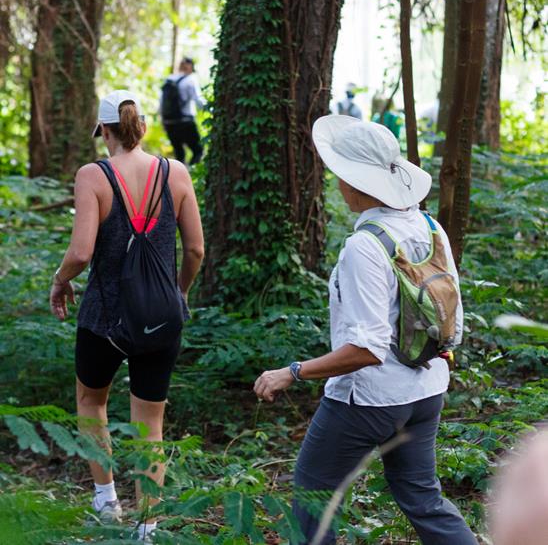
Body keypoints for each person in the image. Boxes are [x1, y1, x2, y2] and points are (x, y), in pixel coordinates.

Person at [254, 116, 477, 545]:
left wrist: (292, 372)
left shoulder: (364, 247)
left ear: (357, 184)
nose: (338, 183)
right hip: (426, 390)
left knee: (314, 492)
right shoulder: (430, 228)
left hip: (368, 399)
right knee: (423, 499)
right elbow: (452, 313)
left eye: (341, 175)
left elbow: (367, 350)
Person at [49, 89, 204, 542]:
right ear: (139, 126)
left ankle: (106, 501)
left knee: (91, 402)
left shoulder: (92, 176)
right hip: (161, 319)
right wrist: (177, 294)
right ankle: (149, 528)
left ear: (105, 132)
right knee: (149, 425)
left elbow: (80, 252)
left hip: (104, 320)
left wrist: (60, 281)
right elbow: (195, 249)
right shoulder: (175, 172)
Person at [160, 57, 204, 166]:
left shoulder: (169, 79)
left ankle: (178, 178)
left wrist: (163, 121)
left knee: (179, 153)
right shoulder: (191, 80)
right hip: (185, 122)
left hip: (169, 122)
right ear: (191, 67)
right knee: (198, 151)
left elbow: (161, 103)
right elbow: (198, 100)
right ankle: (191, 177)